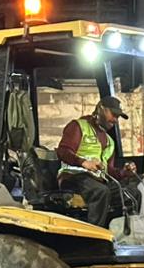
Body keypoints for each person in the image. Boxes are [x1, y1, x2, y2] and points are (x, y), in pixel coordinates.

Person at [55, 96, 131, 226]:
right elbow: (63, 151)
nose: (115, 120)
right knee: (100, 192)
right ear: (101, 108)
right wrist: (83, 162)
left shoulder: (109, 141)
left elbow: (108, 170)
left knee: (131, 194)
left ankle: (120, 234)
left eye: (118, 117)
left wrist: (123, 172)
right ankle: (95, 237)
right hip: (74, 177)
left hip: (97, 181)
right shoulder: (78, 126)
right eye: (113, 115)